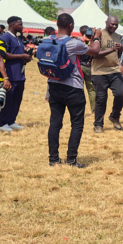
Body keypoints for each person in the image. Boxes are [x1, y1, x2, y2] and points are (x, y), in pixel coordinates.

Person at [45, 13, 101, 167]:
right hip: (72, 87)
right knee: (77, 124)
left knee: (55, 123)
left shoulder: (48, 40)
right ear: (70, 26)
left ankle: (53, 159)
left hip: (53, 84)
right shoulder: (74, 43)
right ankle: (71, 160)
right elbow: (94, 51)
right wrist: (96, 37)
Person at [0, 16, 32, 132]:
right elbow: (3, 54)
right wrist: (22, 56)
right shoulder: (6, 37)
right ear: (12, 25)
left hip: (20, 73)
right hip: (10, 73)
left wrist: (26, 57)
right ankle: (3, 123)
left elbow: (18, 53)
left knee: (17, 98)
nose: (22, 27)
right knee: (8, 98)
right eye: (20, 24)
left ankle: (11, 121)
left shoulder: (18, 38)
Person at [91, 16, 123, 133]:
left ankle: (115, 116)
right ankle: (98, 124)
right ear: (106, 23)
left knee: (121, 93)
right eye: (112, 24)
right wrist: (112, 49)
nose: (114, 26)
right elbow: (94, 54)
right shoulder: (99, 34)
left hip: (114, 70)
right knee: (101, 98)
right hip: (99, 71)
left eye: (116, 25)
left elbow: (118, 55)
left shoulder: (117, 37)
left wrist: (120, 48)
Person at [77, 26, 97, 111]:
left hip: (78, 67)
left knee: (78, 89)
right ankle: (94, 110)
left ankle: (78, 109)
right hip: (88, 67)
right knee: (91, 89)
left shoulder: (77, 41)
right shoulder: (93, 43)